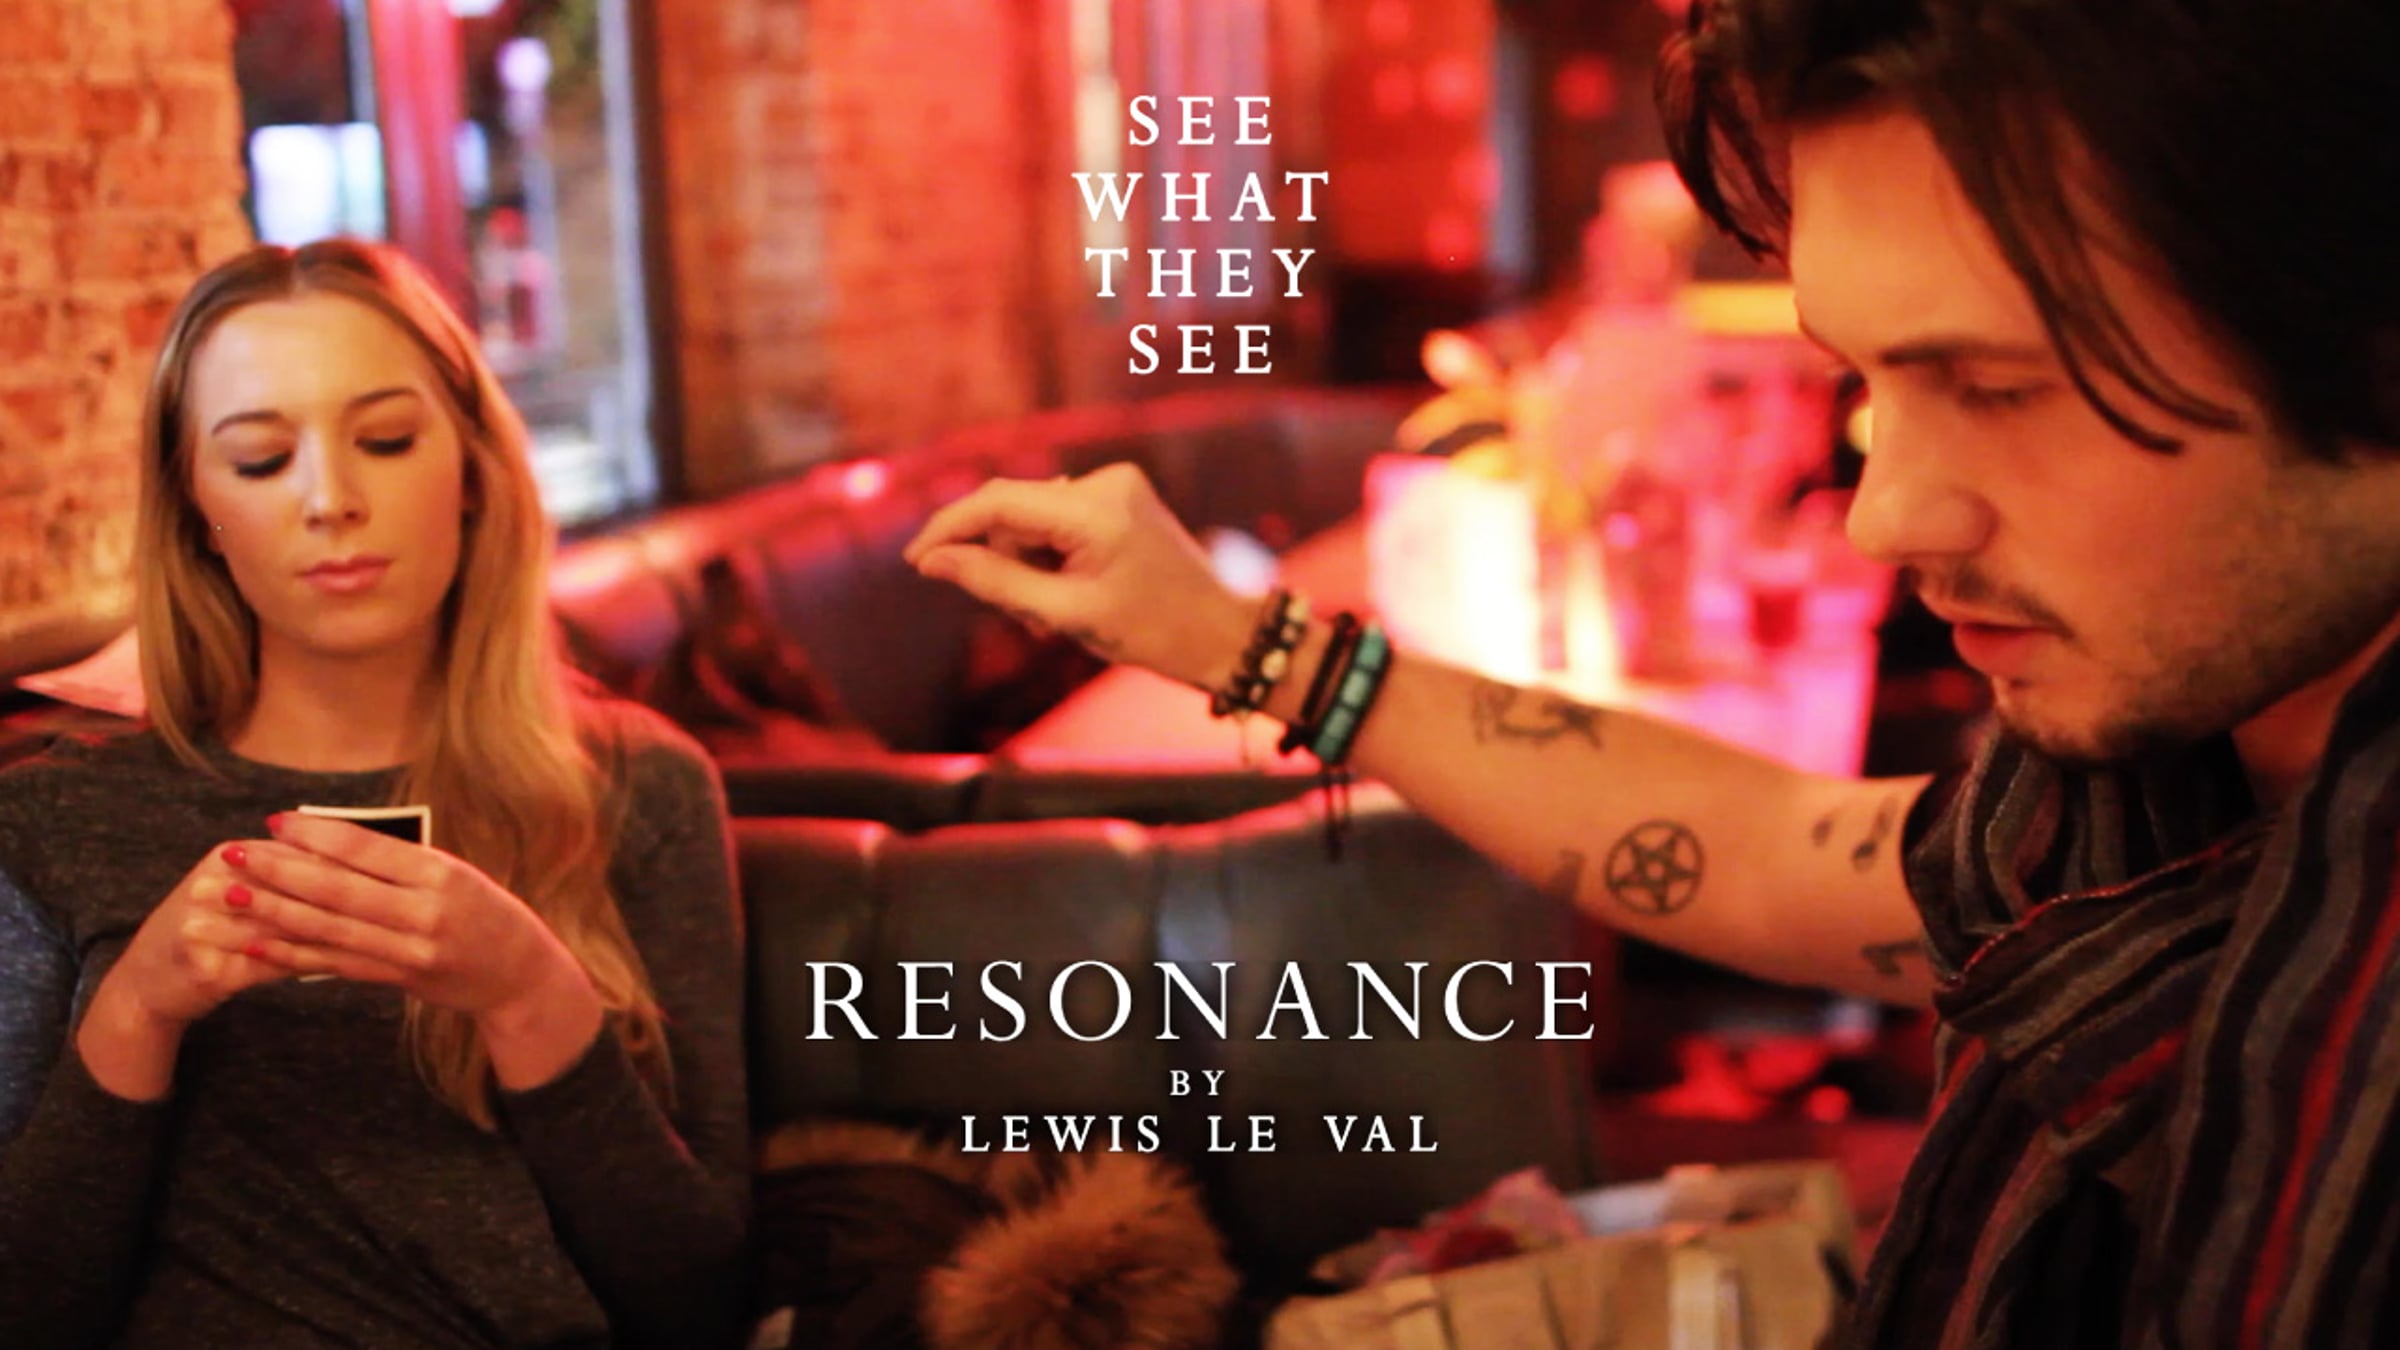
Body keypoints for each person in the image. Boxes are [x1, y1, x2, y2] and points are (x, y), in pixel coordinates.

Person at [905, 0, 2400, 1344]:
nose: (1884, 519)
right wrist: (1247, 646)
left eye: (2000, 389)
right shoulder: (2144, 794)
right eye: (1864, 383)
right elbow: (1770, 850)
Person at [0, 240, 750, 1348]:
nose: (331, 501)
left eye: (387, 441)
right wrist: (137, 1009)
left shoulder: (641, 789)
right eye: (261, 460)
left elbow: (702, 1306)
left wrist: (529, 993)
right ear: (199, 511)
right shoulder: (57, 821)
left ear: (472, 471)